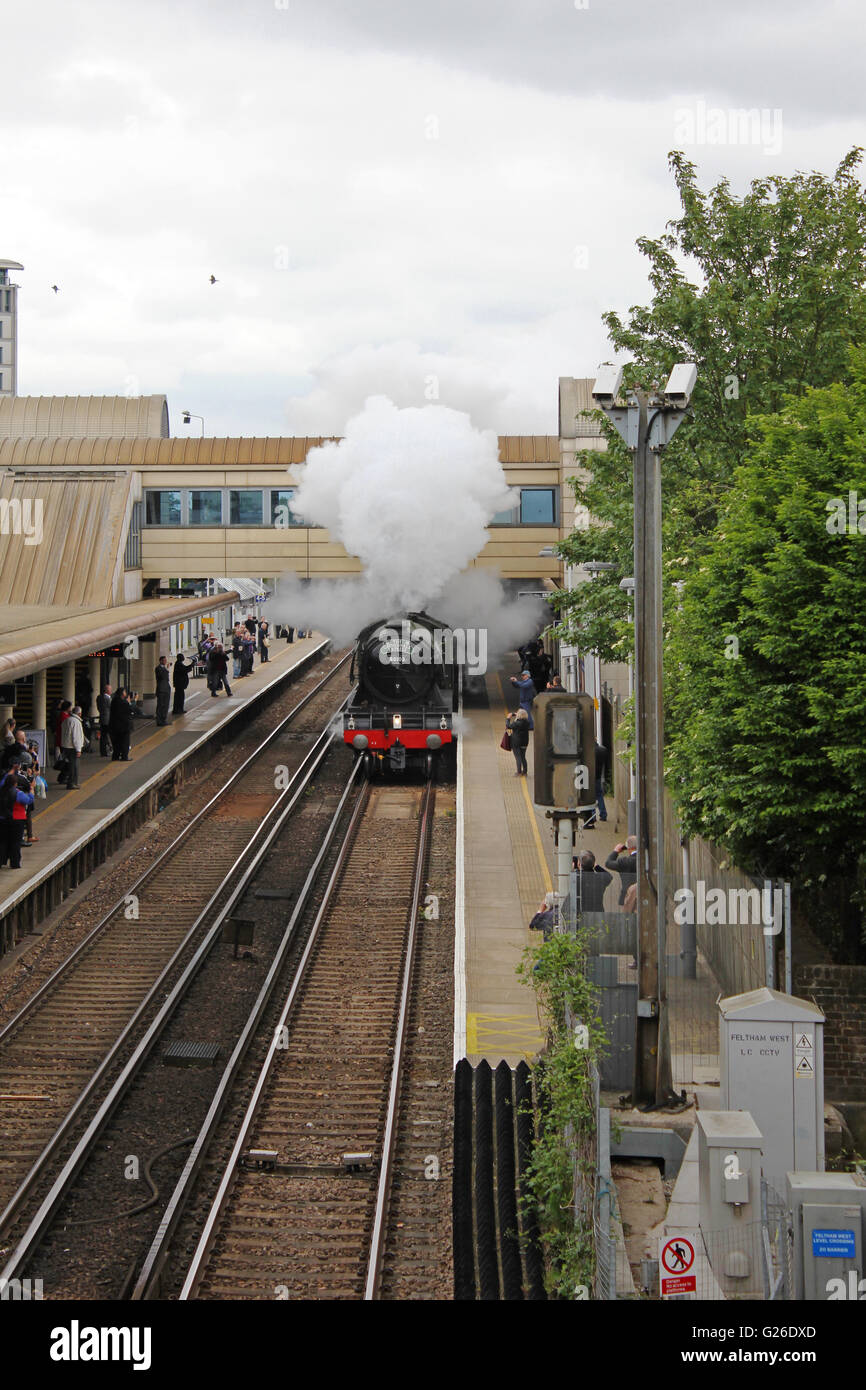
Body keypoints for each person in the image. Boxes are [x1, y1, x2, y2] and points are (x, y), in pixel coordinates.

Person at [0, 770, 34, 869]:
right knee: (15, 842)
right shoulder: (18, 793)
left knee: (2, 841)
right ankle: (15, 863)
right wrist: (31, 791)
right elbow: (29, 800)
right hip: (16, 820)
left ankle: (1, 860)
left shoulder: (1, 791)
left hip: (2, 819)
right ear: (15, 783)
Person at [605, 835, 638, 907]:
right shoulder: (646, 860)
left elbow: (608, 863)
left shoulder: (624, 861)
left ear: (629, 848)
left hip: (627, 895)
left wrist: (615, 851)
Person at [60, 704, 85, 788]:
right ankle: (72, 783)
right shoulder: (76, 722)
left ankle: (69, 781)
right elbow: (76, 737)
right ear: (79, 713)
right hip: (72, 747)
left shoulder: (67, 720)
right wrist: (78, 749)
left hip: (66, 746)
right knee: (74, 766)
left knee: (69, 765)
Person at [109, 688, 134, 761]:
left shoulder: (114, 701)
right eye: (125, 692)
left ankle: (115, 756)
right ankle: (124, 756)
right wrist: (130, 702)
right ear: (122, 693)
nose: (126, 693)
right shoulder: (123, 702)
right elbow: (130, 710)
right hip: (123, 726)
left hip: (114, 726)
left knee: (116, 743)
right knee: (125, 742)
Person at [506, 707, 530, 777]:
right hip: (525, 742)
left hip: (516, 742)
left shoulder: (517, 723)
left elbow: (508, 726)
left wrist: (508, 718)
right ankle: (525, 772)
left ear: (519, 715)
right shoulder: (527, 722)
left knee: (518, 757)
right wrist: (518, 714)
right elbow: (522, 718)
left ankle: (519, 772)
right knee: (523, 757)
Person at [594, 740, 609, 822]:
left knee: (590, 797)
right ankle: (603, 814)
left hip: (589, 776)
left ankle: (592, 817)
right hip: (598, 776)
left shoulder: (589, 751)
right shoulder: (603, 750)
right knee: (599, 796)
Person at [155, 655, 171, 726]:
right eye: (164, 660)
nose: (165, 661)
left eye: (165, 660)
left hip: (166, 689)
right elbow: (162, 676)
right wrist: (167, 669)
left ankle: (164, 719)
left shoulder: (164, 668)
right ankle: (159, 721)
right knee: (160, 705)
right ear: (160, 661)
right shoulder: (158, 668)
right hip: (161, 689)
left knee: (166, 705)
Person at [97, 684, 113, 757]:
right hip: (108, 719)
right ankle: (110, 748)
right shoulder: (108, 698)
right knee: (109, 735)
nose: (111, 691)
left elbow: (99, 708)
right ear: (107, 690)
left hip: (102, 718)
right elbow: (111, 708)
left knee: (103, 736)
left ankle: (103, 751)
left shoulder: (99, 697)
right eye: (110, 689)